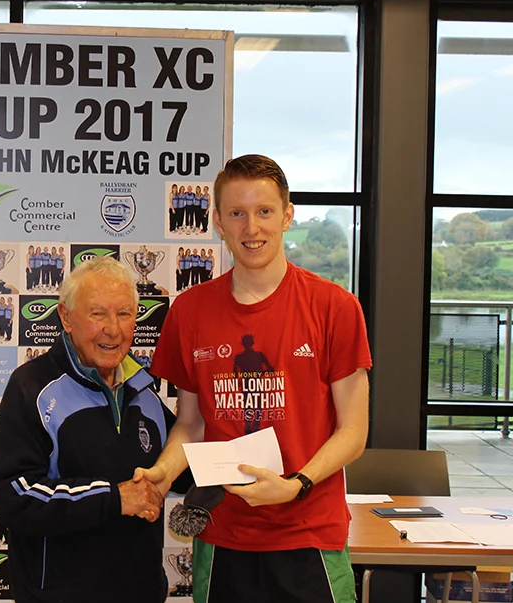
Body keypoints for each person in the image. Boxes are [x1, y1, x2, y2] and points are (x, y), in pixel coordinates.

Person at [138, 154, 372, 603]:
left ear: (287, 215)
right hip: (225, 535)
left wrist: (296, 484)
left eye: (264, 212)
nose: (252, 228)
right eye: (237, 214)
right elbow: (192, 423)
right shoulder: (190, 311)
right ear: (218, 222)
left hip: (309, 535)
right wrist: (163, 474)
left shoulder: (335, 308)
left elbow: (354, 432)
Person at [0, 256, 188, 603]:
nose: (113, 328)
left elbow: (181, 472)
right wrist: (113, 499)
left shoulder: (143, 391)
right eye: (98, 314)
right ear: (66, 317)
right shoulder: (33, 388)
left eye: (125, 314)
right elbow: (14, 497)